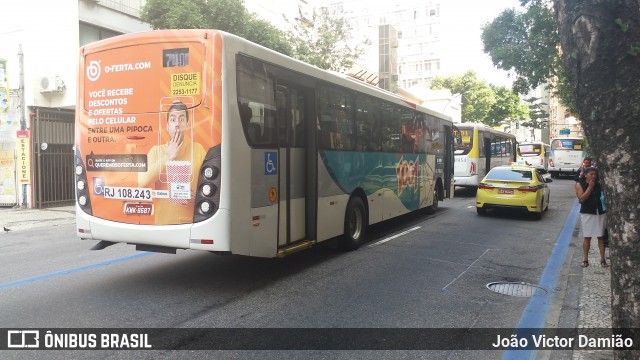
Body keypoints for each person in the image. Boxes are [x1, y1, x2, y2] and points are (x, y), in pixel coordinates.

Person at [138, 101, 207, 224]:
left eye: (181, 119)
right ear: (167, 125)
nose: (177, 124)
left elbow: (211, 186)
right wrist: (168, 157)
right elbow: (142, 182)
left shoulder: (198, 149)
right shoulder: (156, 151)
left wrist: (196, 195)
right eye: (173, 119)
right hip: (162, 226)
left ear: (187, 124)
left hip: (191, 225)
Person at [575, 167, 607, 267]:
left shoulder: (599, 185)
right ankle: (585, 259)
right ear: (585, 175)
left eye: (595, 174)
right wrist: (589, 187)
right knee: (587, 237)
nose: (593, 176)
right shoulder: (580, 184)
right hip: (588, 212)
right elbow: (582, 199)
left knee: (601, 236)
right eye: (591, 174)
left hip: (600, 212)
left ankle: (602, 259)